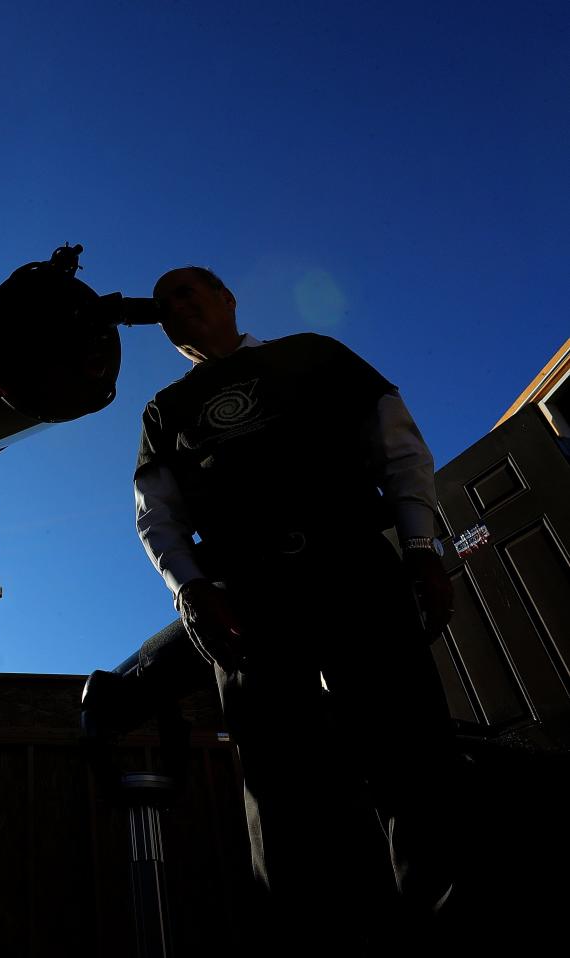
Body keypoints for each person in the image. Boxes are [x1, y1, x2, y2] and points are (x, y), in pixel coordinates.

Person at [133, 266, 462, 955]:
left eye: (191, 289)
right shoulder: (166, 410)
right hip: (249, 604)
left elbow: (399, 448)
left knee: (415, 765)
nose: (179, 305)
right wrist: (192, 590)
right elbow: (157, 517)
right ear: (162, 332)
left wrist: (421, 547)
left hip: (356, 574)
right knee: (280, 790)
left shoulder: (314, 355)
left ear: (228, 298)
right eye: (166, 304)